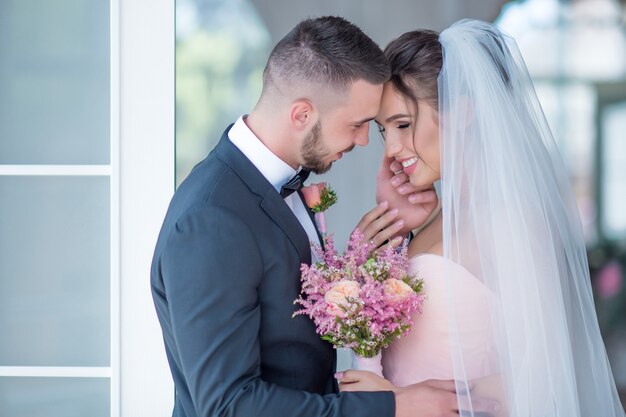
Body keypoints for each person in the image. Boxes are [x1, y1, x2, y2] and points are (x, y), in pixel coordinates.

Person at [151, 16, 496, 417]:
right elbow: (229, 406)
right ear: (302, 115)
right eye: (358, 125)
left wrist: (390, 237)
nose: (367, 142)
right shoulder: (211, 220)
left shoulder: (281, 184)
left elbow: (296, 347)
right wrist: (390, 406)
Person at [337, 19, 626, 417]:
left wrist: (398, 400)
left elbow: (538, 376)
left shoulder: (514, 222)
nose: (391, 149)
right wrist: (393, 236)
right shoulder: (428, 223)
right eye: (385, 131)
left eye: (403, 124)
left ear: (464, 112)